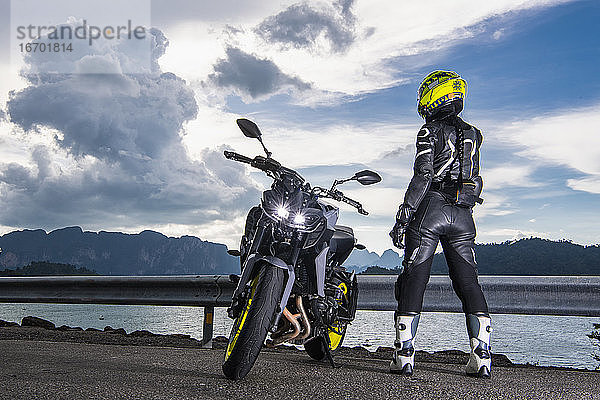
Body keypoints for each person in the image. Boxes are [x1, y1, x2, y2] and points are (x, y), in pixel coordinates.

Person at [388, 70, 491, 378]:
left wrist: (403, 215)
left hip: (431, 208)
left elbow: (423, 176)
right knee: (468, 283)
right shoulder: (475, 133)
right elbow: (477, 178)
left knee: (414, 278)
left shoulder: (428, 131)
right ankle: (482, 357)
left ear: (434, 96)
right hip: (463, 213)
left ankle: (404, 356)